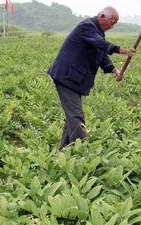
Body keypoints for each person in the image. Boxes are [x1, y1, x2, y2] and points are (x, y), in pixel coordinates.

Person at [47, 6, 135, 150]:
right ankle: (81, 153)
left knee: (72, 117)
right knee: (76, 116)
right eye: (112, 22)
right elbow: (101, 44)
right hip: (66, 77)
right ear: (102, 16)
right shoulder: (86, 26)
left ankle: (63, 152)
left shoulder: (97, 33)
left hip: (74, 79)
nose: (112, 27)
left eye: (115, 24)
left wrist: (113, 70)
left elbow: (101, 55)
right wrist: (121, 50)